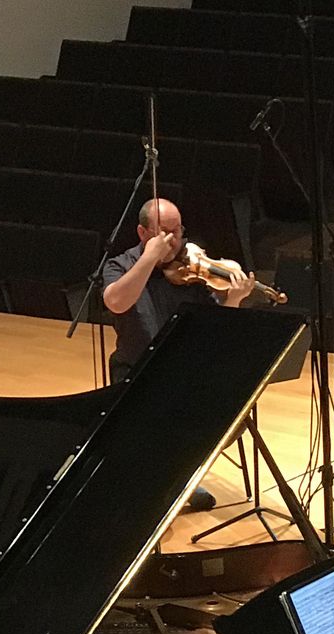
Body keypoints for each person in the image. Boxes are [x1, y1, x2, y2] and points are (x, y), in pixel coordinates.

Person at [102, 198, 255, 510]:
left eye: (179, 230)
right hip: (137, 372)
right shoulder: (120, 265)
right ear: (144, 233)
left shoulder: (192, 271)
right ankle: (161, 482)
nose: (175, 240)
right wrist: (149, 260)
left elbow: (215, 329)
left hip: (184, 371)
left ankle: (180, 477)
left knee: (227, 408)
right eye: (165, 233)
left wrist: (235, 300)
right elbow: (116, 302)